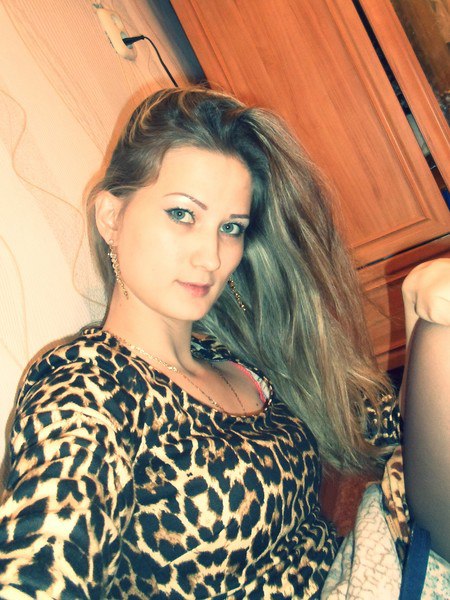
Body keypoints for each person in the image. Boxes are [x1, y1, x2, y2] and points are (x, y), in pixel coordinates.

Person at [0, 86, 446, 598]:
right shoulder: (90, 385)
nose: (211, 257)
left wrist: (418, 319)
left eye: (230, 227)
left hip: (375, 565)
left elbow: (394, 433)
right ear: (110, 217)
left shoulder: (236, 350)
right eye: (182, 214)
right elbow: (44, 563)